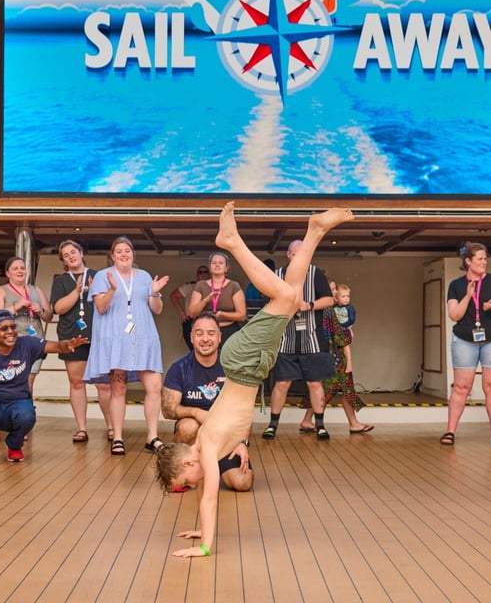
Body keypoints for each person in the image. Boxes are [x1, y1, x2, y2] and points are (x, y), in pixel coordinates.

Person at [155, 202, 353, 558]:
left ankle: (232, 241)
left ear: (188, 464)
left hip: (242, 364)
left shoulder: (210, 447)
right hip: (250, 367)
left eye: (186, 481)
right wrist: (200, 528)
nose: (192, 486)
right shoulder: (204, 446)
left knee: (286, 297)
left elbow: (211, 498)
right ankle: (315, 230)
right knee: (291, 299)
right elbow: (204, 495)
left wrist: (205, 546)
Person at [0, 309, 88, 467]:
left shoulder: (27, 343)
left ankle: (14, 444)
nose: (10, 332)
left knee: (27, 415)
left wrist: (67, 345)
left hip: (18, 404)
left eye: (13, 327)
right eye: (4, 328)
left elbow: (56, 347)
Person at [85, 235, 169, 456]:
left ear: (133, 254)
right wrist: (112, 289)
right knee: (118, 388)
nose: (124, 254)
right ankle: (118, 437)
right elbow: (101, 308)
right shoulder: (103, 276)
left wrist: (154, 291)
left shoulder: (144, 276)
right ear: (112, 255)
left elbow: (157, 308)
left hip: (144, 339)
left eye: (127, 251)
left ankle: (152, 436)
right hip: (116, 341)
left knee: (154, 387)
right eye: (119, 251)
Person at [161, 312, 254, 492]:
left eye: (211, 334)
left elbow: (245, 410)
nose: (205, 339)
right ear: (192, 337)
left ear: (219, 337)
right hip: (196, 441)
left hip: (227, 437)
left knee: (242, 483)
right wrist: (196, 413)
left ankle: (214, 468)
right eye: (199, 333)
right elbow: (168, 410)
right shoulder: (179, 368)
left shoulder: (233, 366)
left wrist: (242, 442)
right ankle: (189, 471)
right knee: (187, 426)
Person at [262, 239, 334, 441]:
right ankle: (272, 425)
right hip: (286, 339)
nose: (299, 258)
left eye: (303, 254)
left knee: (314, 383)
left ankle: (319, 424)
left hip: (313, 339)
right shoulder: (277, 275)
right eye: (296, 254)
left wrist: (309, 304)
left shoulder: (315, 273)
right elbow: (269, 301)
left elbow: (329, 300)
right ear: (288, 254)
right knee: (282, 383)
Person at [441, 243, 491, 446]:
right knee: (461, 387)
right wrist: (468, 296)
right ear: (468, 262)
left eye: (485, 258)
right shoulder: (456, 285)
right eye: (479, 258)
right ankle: (450, 431)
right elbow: (455, 315)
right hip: (464, 338)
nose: (484, 262)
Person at [48, 239, 111, 444]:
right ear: (63, 261)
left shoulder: (98, 276)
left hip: (99, 337)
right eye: (66, 255)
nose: (71, 256)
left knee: (103, 385)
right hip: (71, 336)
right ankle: (82, 429)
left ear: (81, 252)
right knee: (76, 383)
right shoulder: (61, 281)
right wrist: (76, 291)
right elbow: (58, 309)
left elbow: (107, 304)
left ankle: (111, 427)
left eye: (73, 252)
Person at [301, 282, 373, 434]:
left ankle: (351, 423)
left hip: (325, 355)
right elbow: (340, 338)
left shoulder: (317, 312)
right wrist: (349, 357)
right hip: (336, 358)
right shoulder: (329, 312)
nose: (334, 292)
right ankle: (351, 424)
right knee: (333, 390)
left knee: (332, 390)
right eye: (332, 289)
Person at [0, 256, 53, 393]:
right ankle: (10, 410)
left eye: (22, 268)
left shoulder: (36, 290)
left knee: (29, 380)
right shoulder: (0, 291)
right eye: (15, 268)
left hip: (34, 340)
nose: (20, 271)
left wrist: (40, 311)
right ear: (7, 273)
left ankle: (26, 411)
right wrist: (15, 307)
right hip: (10, 341)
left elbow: (49, 316)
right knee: (11, 379)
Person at [187, 251, 246, 341]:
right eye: (214, 263)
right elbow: (192, 313)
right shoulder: (201, 285)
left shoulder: (234, 286)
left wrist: (222, 315)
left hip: (228, 330)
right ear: (210, 268)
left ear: (226, 268)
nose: (217, 265)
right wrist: (206, 300)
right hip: (205, 331)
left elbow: (241, 315)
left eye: (221, 263)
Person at [171, 265, 207, 350]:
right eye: (200, 272)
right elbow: (173, 296)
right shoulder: (190, 286)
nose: (203, 274)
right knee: (193, 349)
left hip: (207, 320)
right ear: (197, 275)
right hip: (191, 320)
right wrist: (182, 313)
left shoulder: (212, 287)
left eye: (205, 272)